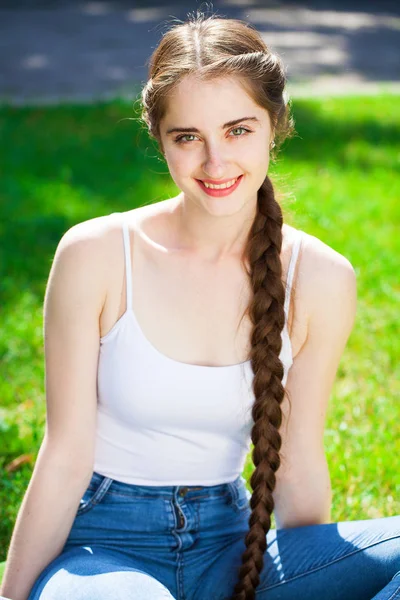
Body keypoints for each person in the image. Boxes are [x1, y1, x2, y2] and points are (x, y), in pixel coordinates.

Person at [1, 8, 399, 600]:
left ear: (276, 125)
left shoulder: (319, 276)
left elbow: (297, 463)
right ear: (159, 138)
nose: (215, 163)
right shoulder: (99, 254)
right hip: (103, 553)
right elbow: (63, 456)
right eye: (188, 137)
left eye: (238, 130)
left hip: (234, 550)